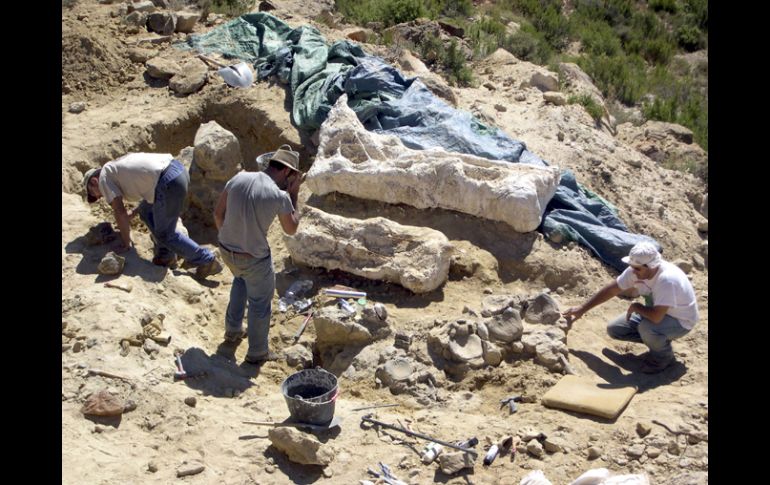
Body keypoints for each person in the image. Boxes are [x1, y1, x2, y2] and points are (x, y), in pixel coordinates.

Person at [214, 145, 303, 365]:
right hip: (254, 258)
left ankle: (233, 331)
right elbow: (291, 228)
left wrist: (229, 237)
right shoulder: (280, 195)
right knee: (260, 303)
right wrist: (294, 194)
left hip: (226, 249)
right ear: (286, 172)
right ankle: (257, 352)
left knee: (240, 280)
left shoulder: (238, 178)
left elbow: (217, 213)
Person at [562, 241, 699, 373]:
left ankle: (662, 359)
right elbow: (612, 289)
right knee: (615, 329)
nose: (632, 271)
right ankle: (658, 342)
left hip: (680, 321)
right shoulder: (637, 270)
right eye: (632, 266)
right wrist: (582, 309)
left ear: (650, 266)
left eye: (637, 268)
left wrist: (637, 307)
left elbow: (656, 318)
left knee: (647, 328)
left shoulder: (667, 279)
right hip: (657, 313)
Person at [83, 152, 223, 278]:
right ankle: (165, 256)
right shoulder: (117, 168)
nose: (100, 197)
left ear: (94, 182)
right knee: (145, 210)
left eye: (95, 194)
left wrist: (126, 243)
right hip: (177, 172)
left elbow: (119, 213)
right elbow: (146, 193)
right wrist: (133, 213)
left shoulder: (104, 178)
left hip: (166, 182)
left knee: (166, 234)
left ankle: (207, 261)